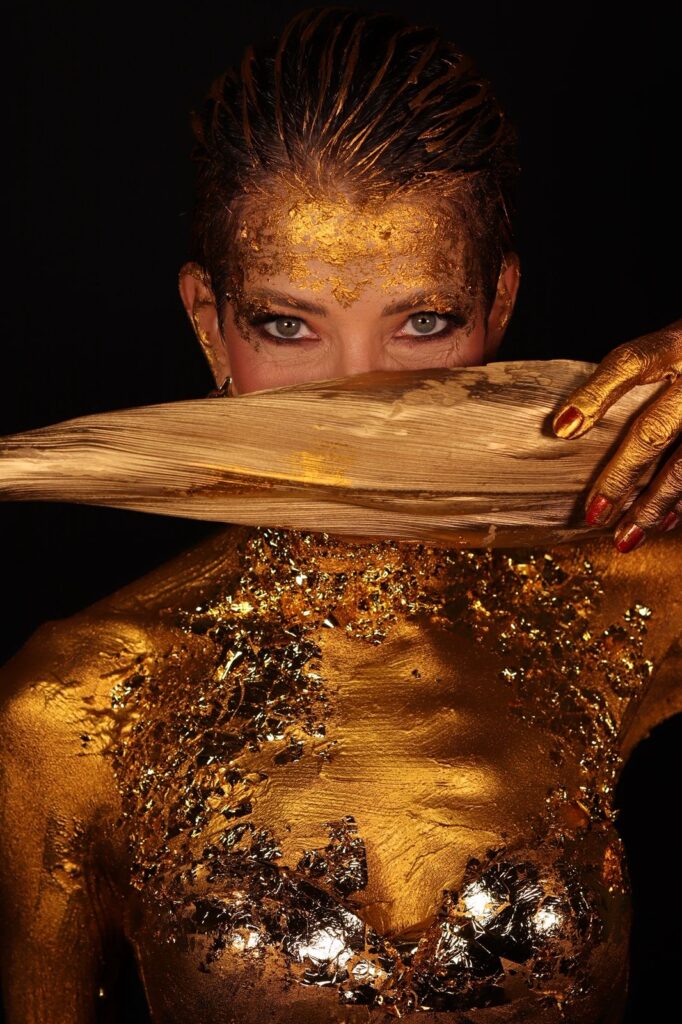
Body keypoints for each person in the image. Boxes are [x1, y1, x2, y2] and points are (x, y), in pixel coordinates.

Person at [0, 6, 680, 1023]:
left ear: (497, 307)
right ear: (209, 325)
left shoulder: (622, 597)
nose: (359, 401)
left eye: (422, 322)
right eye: (288, 326)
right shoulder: (80, 706)